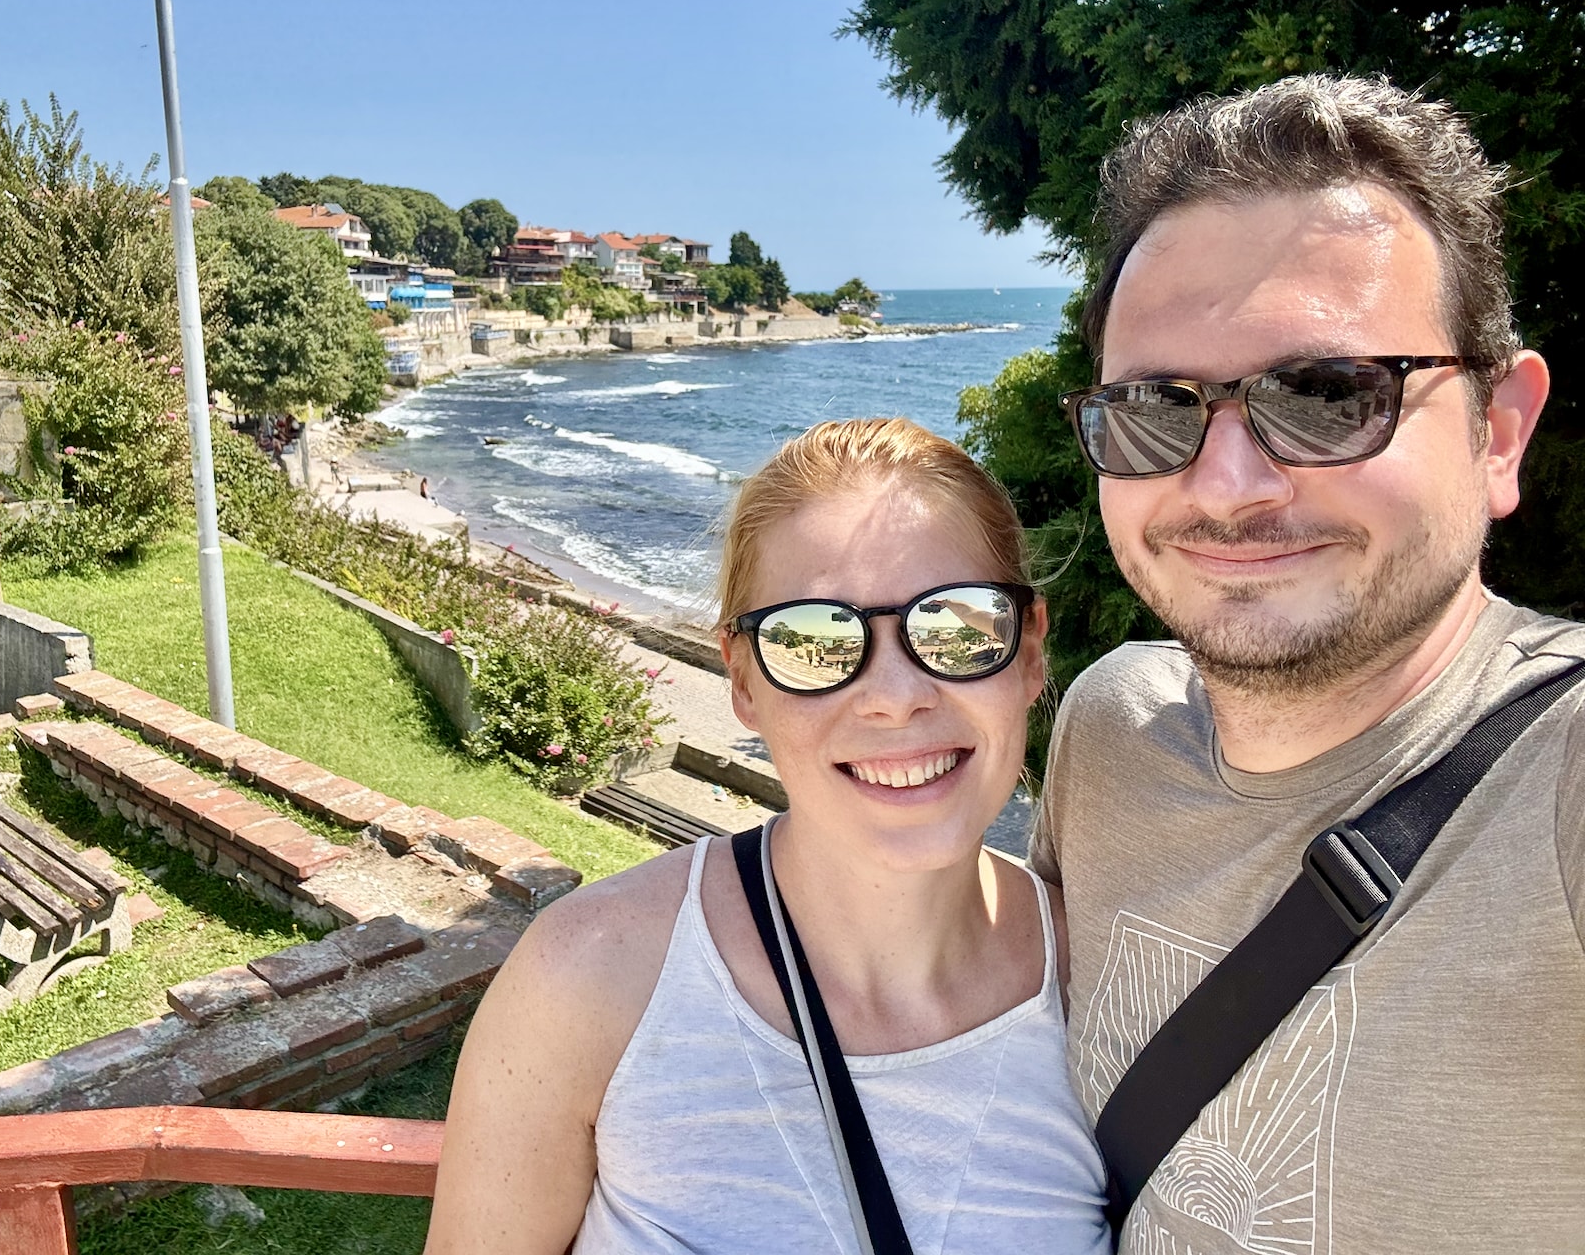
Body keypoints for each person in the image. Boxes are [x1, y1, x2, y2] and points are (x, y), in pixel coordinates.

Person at [1036, 74, 1580, 1252]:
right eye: (1155, 407)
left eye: (1329, 395)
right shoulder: (1109, 723)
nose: (1228, 486)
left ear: (1499, 431)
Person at [430, 417, 1109, 1254]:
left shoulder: (1112, 982)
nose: (896, 696)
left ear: (1031, 652)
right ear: (742, 680)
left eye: (955, 624)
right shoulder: (589, 974)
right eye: (816, 641)